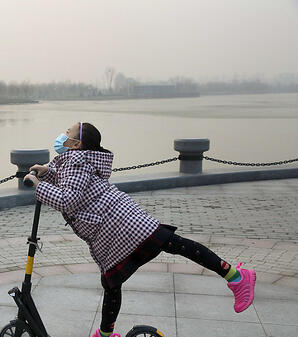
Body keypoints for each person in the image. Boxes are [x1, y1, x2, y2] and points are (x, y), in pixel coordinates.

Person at [23, 122, 256, 337]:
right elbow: (72, 183)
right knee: (113, 279)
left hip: (121, 222)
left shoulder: (77, 161)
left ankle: (236, 276)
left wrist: (39, 185)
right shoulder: (76, 160)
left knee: (171, 244)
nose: (63, 135)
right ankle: (105, 334)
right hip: (112, 224)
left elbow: (69, 199)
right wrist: (48, 173)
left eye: (68, 133)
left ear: (76, 144)